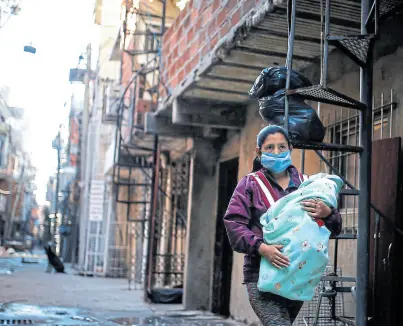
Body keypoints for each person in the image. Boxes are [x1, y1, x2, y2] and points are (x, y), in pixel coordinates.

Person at [223, 125, 342, 326]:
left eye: (281, 146)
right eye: (269, 148)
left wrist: (327, 213)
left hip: (298, 274)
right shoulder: (250, 184)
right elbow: (234, 224)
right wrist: (262, 248)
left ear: (291, 148)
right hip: (261, 274)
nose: (276, 152)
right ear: (258, 152)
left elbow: (331, 228)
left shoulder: (307, 185)